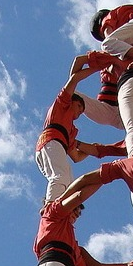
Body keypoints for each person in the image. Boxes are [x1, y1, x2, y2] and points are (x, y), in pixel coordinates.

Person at [36, 63, 103, 202]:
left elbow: (76, 157)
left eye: (82, 110)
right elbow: (75, 78)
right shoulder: (61, 105)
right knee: (60, 177)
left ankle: (59, 208)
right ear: (71, 101)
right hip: (51, 141)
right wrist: (97, 66)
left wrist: (90, 150)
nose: (80, 111)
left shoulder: (71, 131)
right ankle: (50, 207)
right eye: (79, 106)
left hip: (54, 144)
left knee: (69, 184)